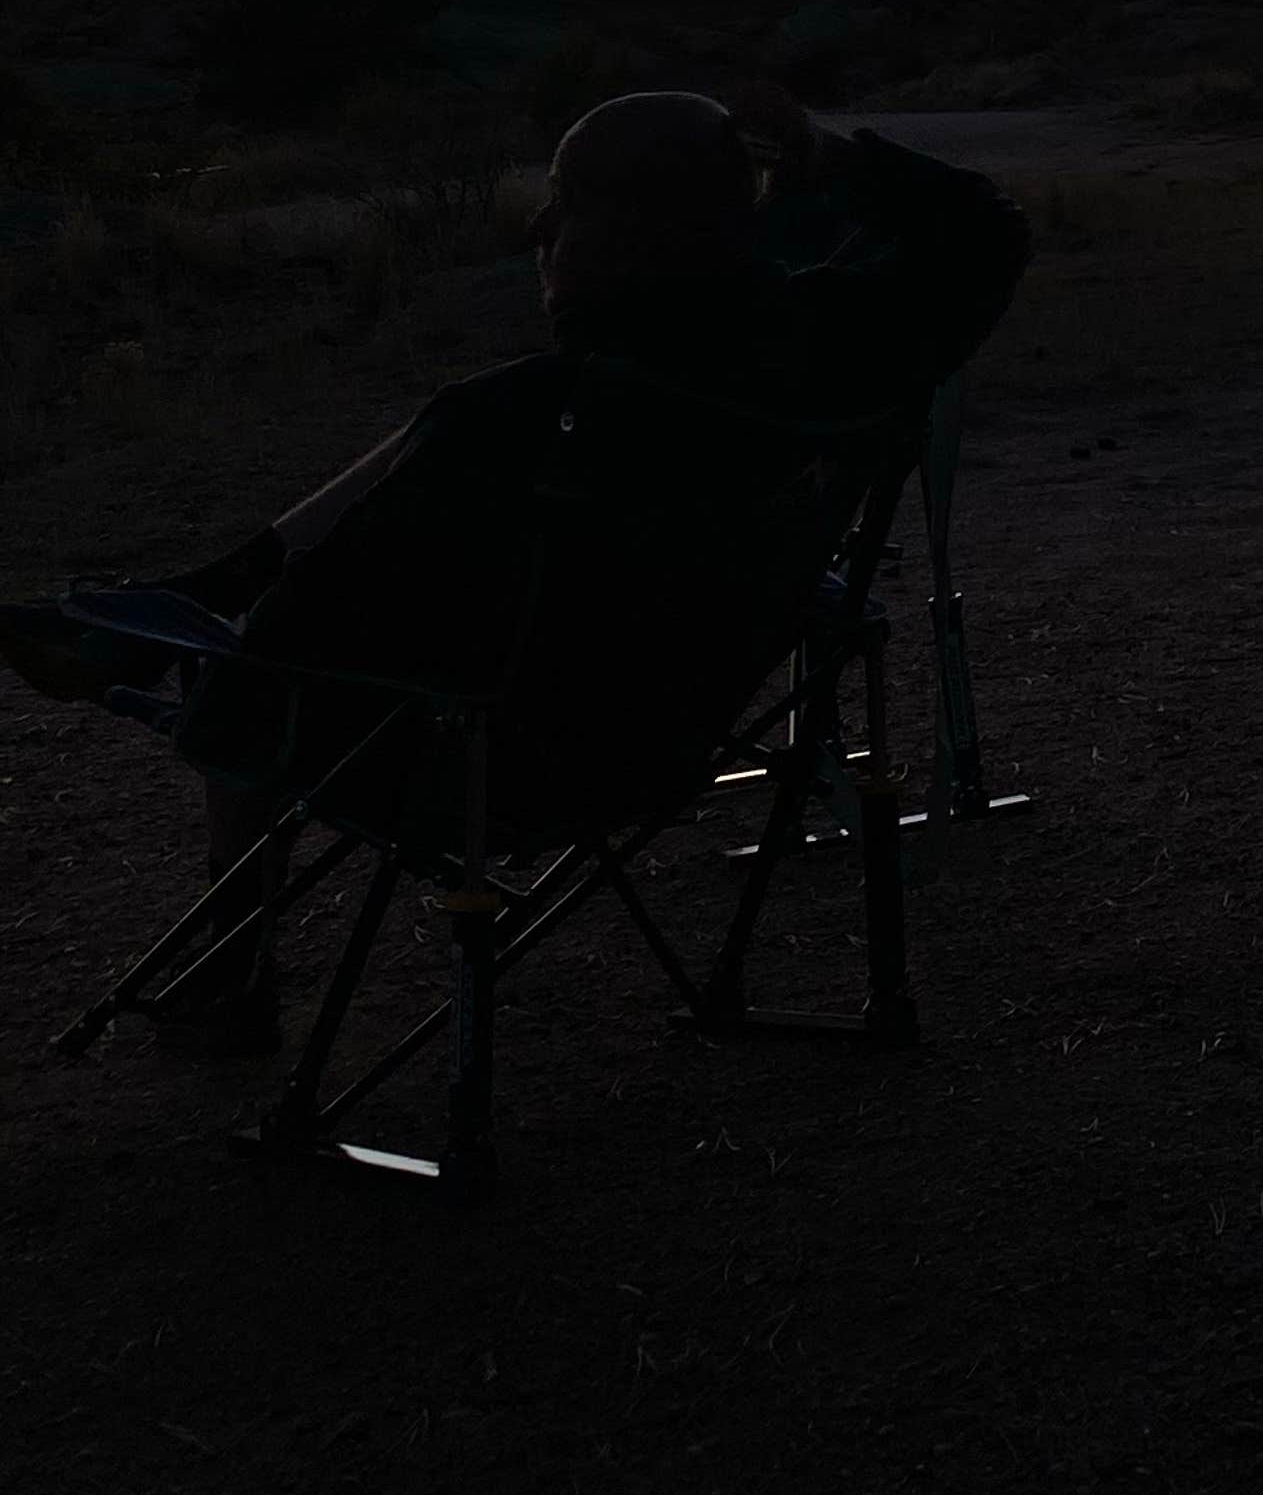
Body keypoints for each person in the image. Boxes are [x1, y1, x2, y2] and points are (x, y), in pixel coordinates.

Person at [1, 91, 1026, 1042]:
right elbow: (990, 232)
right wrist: (836, 162)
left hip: (498, 769)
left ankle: (230, 970)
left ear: (633, 236)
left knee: (244, 690)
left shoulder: (521, 426)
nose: (539, 233)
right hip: (671, 731)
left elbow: (301, 650)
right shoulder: (840, 341)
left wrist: (203, 675)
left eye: (562, 206)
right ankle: (201, 592)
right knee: (439, 433)